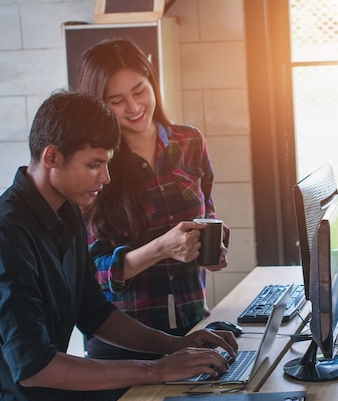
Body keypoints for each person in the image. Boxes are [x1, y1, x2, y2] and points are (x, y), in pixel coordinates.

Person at [0, 91, 238, 401]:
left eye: (107, 163)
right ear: (51, 157)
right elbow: (34, 366)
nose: (105, 178)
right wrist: (156, 369)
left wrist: (174, 345)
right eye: (94, 165)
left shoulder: (67, 213)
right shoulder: (6, 234)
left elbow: (94, 313)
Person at [76, 39, 229, 361]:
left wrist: (214, 246)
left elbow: (209, 210)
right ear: (97, 104)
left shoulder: (189, 141)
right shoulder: (92, 164)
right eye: (116, 101)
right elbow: (92, 273)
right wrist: (161, 248)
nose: (133, 107)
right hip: (125, 345)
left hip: (192, 324)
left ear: (152, 82)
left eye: (139, 91)